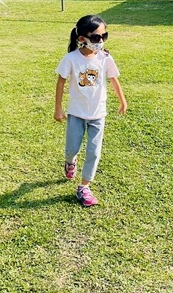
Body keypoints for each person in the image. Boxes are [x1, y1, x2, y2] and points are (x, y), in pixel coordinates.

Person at [54, 15, 127, 208]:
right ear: (81, 39)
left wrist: (122, 100)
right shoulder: (71, 59)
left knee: (94, 152)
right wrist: (58, 108)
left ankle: (84, 186)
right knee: (71, 149)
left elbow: (113, 79)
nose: (101, 41)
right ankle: (71, 162)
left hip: (98, 114)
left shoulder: (105, 58)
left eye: (104, 36)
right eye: (96, 37)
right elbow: (61, 81)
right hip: (76, 113)